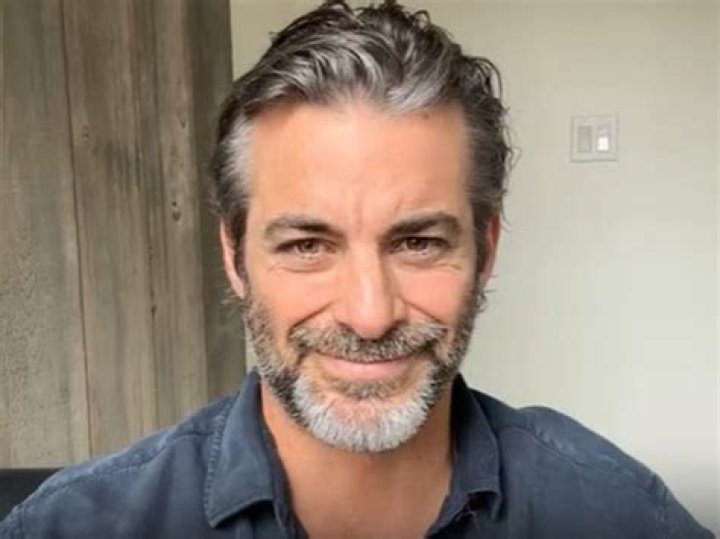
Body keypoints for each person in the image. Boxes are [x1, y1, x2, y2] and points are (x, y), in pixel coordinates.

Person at [1, 1, 713, 538]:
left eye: (418, 243)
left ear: (485, 250)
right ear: (235, 257)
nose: (370, 316)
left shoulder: (616, 512)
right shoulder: (74, 525)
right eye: (307, 245)